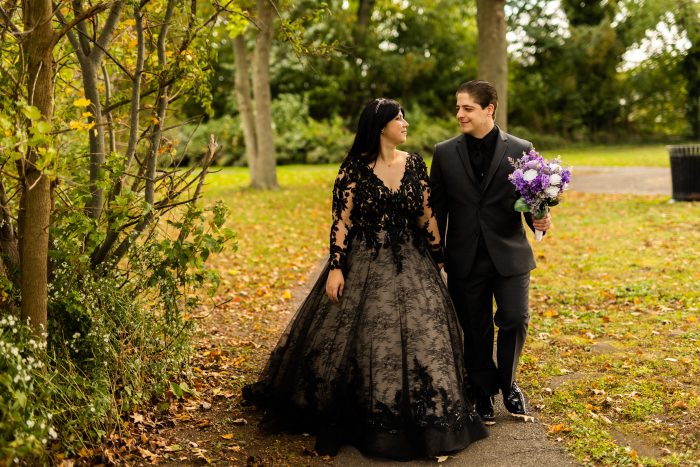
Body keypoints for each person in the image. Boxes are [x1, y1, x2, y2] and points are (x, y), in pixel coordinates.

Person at [243, 98, 488, 460]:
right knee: (372, 334)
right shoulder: (354, 169)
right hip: (365, 261)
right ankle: (368, 410)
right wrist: (337, 267)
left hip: (411, 260)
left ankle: (429, 416)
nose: (405, 123)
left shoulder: (415, 163)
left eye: (404, 117)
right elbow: (341, 221)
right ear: (380, 126)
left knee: (427, 331)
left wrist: (440, 260)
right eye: (398, 118)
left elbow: (426, 216)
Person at [429, 80, 551, 425]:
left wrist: (540, 219)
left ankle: (508, 383)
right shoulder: (444, 152)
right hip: (464, 256)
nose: (459, 114)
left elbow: (533, 196)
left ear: (489, 110)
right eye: (457, 108)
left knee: (515, 318)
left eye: (467, 108)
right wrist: (435, 254)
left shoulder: (521, 148)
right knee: (476, 328)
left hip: (509, 255)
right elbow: (436, 210)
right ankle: (482, 390)